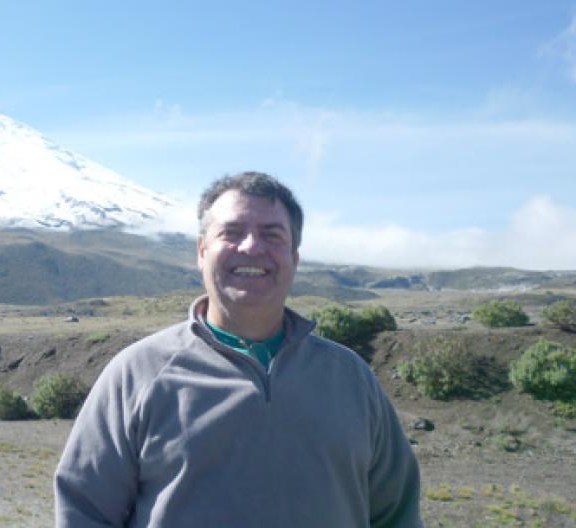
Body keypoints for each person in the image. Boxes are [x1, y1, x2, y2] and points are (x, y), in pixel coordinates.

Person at [54, 171, 422, 527]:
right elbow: (85, 511)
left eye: (272, 235)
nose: (251, 247)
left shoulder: (350, 378)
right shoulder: (139, 374)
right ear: (202, 251)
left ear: (295, 257)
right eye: (231, 233)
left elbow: (396, 514)